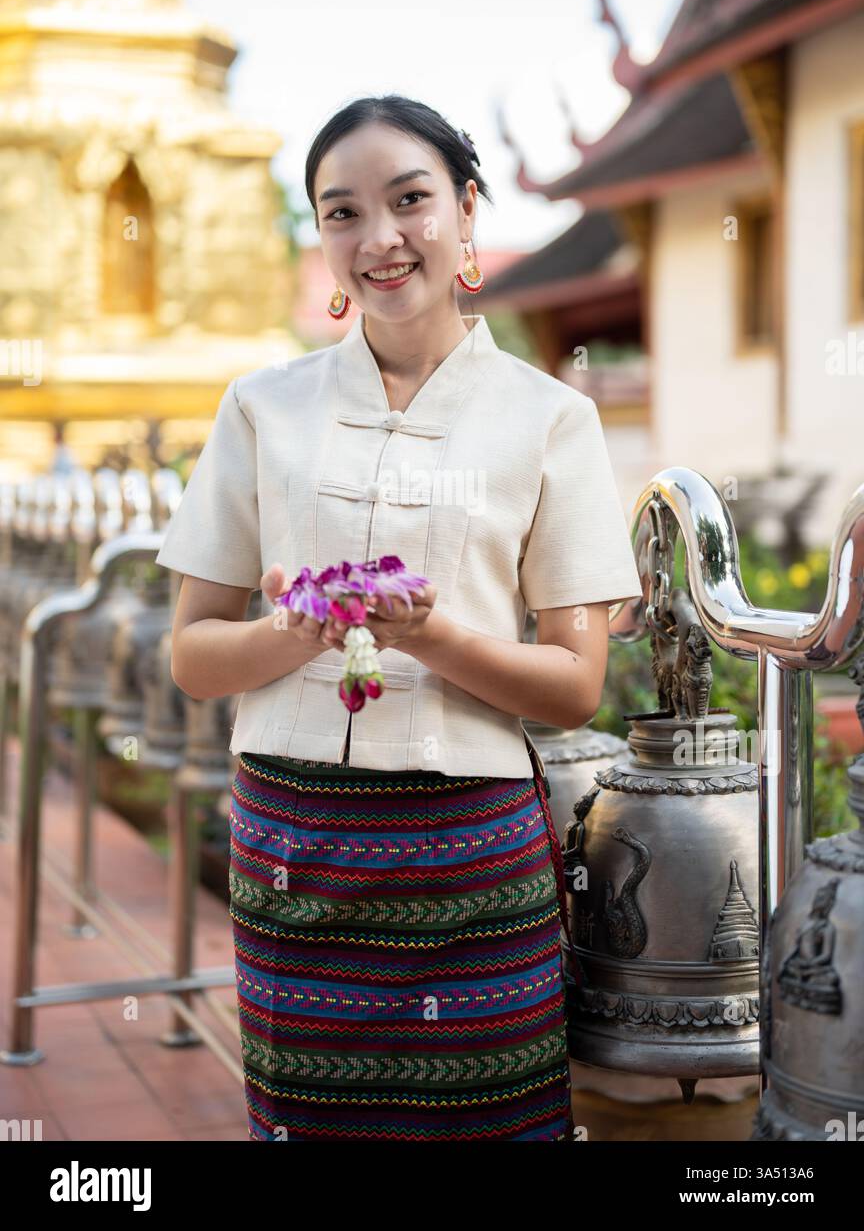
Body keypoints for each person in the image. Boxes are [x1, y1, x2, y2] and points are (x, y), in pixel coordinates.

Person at [156, 93, 642, 1142]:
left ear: (467, 211)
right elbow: (192, 656)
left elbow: (574, 684)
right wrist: (301, 631)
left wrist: (427, 634)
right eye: (342, 213)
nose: (379, 237)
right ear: (322, 239)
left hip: (469, 855)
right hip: (294, 849)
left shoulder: (552, 417)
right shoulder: (260, 407)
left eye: (410, 199)